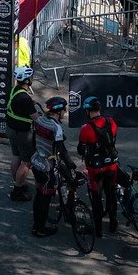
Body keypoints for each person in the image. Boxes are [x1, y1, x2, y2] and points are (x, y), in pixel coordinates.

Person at [30, 96, 77, 237]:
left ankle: (36, 224)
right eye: (64, 110)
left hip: (36, 162)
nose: (65, 112)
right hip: (47, 167)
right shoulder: (56, 127)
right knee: (45, 199)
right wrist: (71, 165)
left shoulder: (39, 120)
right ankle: (40, 229)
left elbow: (34, 140)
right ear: (59, 111)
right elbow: (62, 150)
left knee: (39, 195)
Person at [77, 96, 119, 237]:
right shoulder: (111, 122)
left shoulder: (86, 128)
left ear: (88, 111)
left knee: (96, 198)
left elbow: (80, 150)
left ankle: (99, 230)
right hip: (111, 165)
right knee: (111, 194)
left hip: (95, 169)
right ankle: (113, 223)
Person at [7, 66, 39, 202]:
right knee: (26, 162)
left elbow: (18, 104)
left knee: (16, 156)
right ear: (27, 80)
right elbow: (36, 118)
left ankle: (17, 182)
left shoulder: (15, 90)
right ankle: (18, 189)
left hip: (11, 130)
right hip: (23, 133)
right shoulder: (25, 99)